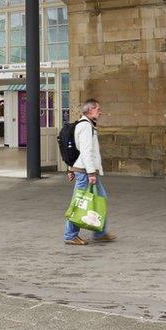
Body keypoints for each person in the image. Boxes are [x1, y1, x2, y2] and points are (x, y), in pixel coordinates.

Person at [64, 99, 116, 245]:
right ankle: (70, 235)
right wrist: (91, 173)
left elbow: (75, 149)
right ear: (90, 110)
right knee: (80, 202)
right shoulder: (86, 126)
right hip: (85, 171)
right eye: (98, 109)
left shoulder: (83, 125)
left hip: (83, 170)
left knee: (99, 198)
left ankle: (100, 233)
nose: (100, 111)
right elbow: (86, 151)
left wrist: (70, 168)